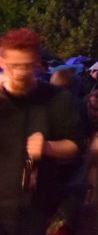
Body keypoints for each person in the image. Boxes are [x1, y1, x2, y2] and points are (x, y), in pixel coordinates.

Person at [0, 28, 83, 235]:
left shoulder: (58, 100)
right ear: (1, 62)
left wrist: (48, 147)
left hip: (36, 207)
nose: (20, 72)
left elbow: (75, 145)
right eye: (13, 66)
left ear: (38, 63)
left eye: (27, 66)